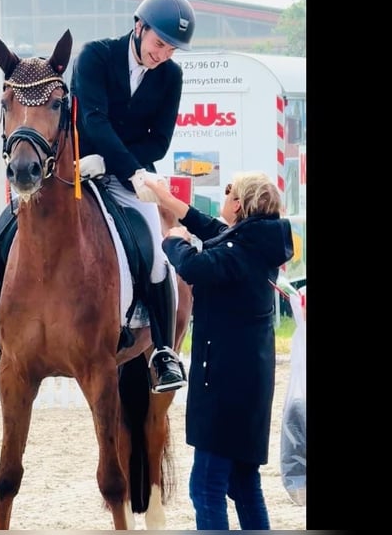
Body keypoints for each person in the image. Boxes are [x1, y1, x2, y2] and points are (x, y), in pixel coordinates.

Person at [0, 0, 196, 394]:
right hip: (75, 168)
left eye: (172, 48)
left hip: (130, 177)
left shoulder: (171, 76)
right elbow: (94, 121)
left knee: (155, 252)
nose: (164, 54)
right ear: (139, 28)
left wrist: (129, 170)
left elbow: (161, 141)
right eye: (159, 43)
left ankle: (163, 351)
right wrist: (98, 160)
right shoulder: (96, 56)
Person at [144, 172, 294, 530]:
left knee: (206, 488)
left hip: (226, 386)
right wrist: (164, 201)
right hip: (249, 385)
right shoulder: (255, 241)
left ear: (239, 203)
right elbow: (205, 224)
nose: (225, 195)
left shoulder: (238, 251)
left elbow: (194, 266)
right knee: (244, 485)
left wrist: (173, 240)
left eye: (228, 191)